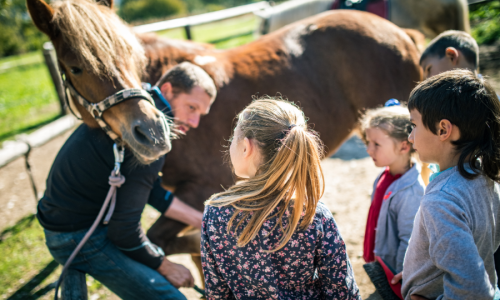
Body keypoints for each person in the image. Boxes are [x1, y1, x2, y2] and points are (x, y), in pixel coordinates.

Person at [38, 62, 216, 300]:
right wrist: (165, 265)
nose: (194, 122)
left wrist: (201, 221)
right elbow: (124, 233)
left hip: (63, 224)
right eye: (191, 107)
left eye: (200, 114)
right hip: (78, 236)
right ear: (168, 89)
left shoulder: (133, 108)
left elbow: (150, 189)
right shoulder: (148, 133)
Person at [200, 98, 361, 299]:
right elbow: (343, 293)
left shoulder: (216, 213)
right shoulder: (314, 215)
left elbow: (217, 293)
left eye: (233, 136)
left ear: (245, 147)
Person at [401, 69, 500, 300]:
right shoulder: (485, 178)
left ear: (443, 129)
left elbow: (472, 291)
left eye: (414, 125)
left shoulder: (442, 200)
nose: (410, 137)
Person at [360, 102, 424, 275]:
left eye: (376, 144)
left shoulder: (411, 192)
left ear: (404, 146)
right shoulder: (383, 175)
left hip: (395, 273)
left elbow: (408, 240)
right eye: (368, 142)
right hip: (381, 261)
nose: (368, 149)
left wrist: (401, 274)